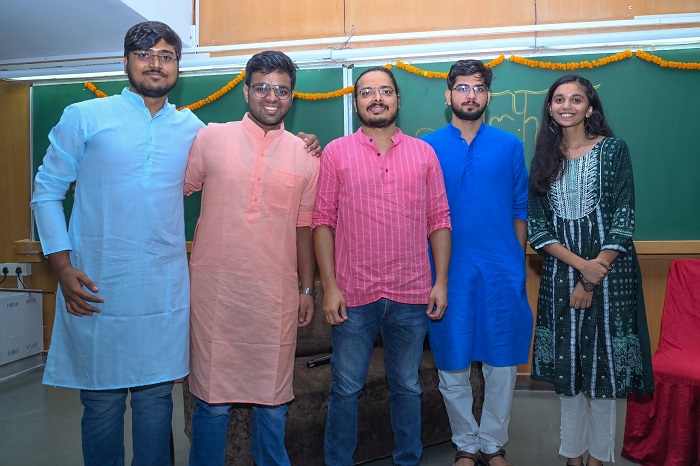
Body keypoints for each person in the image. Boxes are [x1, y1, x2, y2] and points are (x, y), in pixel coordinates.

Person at [31, 23, 319, 466]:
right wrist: (62, 267)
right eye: (144, 54)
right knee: (102, 404)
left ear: (178, 67)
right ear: (125, 61)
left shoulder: (191, 129)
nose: (155, 63)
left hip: (163, 289)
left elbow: (253, 168)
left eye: (166, 56)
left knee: (155, 402)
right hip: (97, 282)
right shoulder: (84, 116)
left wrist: (305, 144)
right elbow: (47, 190)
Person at [185, 50, 320, 466]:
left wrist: (307, 289)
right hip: (215, 297)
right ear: (245, 91)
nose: (271, 97)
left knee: (273, 403)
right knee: (211, 404)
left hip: (273, 298)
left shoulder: (306, 155)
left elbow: (304, 228)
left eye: (282, 90)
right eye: (262, 87)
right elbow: (171, 191)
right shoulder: (210, 138)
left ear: (292, 97)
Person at [313, 66, 452, 466]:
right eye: (367, 92)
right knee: (345, 389)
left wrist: (441, 282)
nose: (377, 98)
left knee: (407, 386)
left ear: (397, 100)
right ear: (356, 102)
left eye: (385, 91)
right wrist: (330, 287)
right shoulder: (336, 152)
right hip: (353, 294)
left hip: (411, 292)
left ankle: (408, 459)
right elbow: (322, 221)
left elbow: (440, 220)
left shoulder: (424, 153)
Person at [528, 75, 654, 466]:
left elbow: (624, 218)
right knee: (569, 370)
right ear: (550, 108)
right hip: (561, 276)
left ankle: (598, 457)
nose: (566, 105)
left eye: (576, 99)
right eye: (559, 99)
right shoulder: (544, 159)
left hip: (612, 276)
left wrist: (593, 274)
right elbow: (538, 230)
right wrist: (583, 269)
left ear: (590, 107)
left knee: (604, 372)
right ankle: (572, 455)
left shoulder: (614, 150)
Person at [420, 59, 532, 466]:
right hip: (447, 273)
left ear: (488, 95)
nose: (471, 95)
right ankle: (465, 444)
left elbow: (520, 207)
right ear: (448, 95)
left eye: (479, 88)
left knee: (501, 363)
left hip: (501, 271)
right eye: (463, 88)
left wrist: (517, 263)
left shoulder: (510, 145)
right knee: (452, 362)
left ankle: (493, 443)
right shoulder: (427, 147)